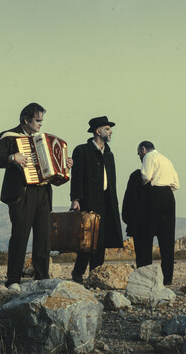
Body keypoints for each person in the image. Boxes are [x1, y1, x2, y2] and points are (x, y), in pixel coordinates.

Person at [0, 103, 72, 292]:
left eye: (42, 120)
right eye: (38, 120)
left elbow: (53, 168)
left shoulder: (40, 139)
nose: (41, 124)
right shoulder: (10, 138)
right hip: (22, 193)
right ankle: (13, 280)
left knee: (43, 236)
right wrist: (12, 158)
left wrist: (65, 165)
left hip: (43, 192)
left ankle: (42, 278)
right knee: (20, 235)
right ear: (26, 120)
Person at [69, 116, 123, 283]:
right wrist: (75, 199)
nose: (110, 131)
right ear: (98, 131)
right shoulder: (82, 150)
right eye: (107, 129)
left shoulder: (109, 154)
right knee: (87, 240)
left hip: (107, 202)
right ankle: (78, 273)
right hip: (88, 200)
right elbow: (76, 176)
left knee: (101, 240)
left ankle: (95, 274)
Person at [138, 141, 179, 285]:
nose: (139, 156)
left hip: (155, 194)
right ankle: (167, 278)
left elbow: (145, 176)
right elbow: (176, 184)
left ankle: (145, 274)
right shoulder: (166, 159)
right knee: (167, 238)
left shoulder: (149, 157)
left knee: (146, 235)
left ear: (143, 149)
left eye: (139, 153)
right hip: (169, 195)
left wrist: (142, 185)